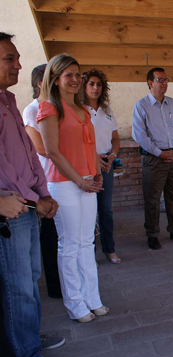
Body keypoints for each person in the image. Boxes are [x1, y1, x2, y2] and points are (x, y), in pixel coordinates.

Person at [0, 32, 68, 357]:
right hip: (11, 211)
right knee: (18, 290)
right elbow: (5, 168)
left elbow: (29, 156)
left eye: (16, 58)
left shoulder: (9, 103)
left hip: (28, 205)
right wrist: (33, 199)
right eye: (8, 59)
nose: (18, 64)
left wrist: (42, 193)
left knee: (30, 279)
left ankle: (29, 338)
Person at [38, 53, 108, 323]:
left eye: (78, 74)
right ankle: (75, 304)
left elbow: (89, 147)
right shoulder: (49, 108)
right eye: (69, 75)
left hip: (87, 182)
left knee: (87, 243)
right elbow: (53, 152)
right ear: (55, 80)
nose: (76, 80)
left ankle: (93, 298)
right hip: (65, 185)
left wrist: (95, 174)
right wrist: (80, 180)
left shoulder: (82, 109)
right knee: (69, 246)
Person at [132, 67, 173, 250]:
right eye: (160, 80)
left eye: (166, 80)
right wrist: (160, 153)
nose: (164, 83)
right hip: (154, 159)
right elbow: (139, 135)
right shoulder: (141, 106)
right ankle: (152, 234)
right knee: (153, 198)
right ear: (150, 83)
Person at [22, 63, 63, 298]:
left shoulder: (59, 107)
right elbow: (43, 147)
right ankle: (55, 286)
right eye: (54, 77)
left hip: (66, 175)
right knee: (51, 234)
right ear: (41, 82)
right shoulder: (31, 110)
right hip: (48, 179)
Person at [82, 68, 121, 264]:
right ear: (84, 86)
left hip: (106, 165)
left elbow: (115, 138)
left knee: (105, 210)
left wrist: (112, 156)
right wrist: (95, 158)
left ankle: (110, 249)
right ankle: (89, 253)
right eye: (91, 84)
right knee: (88, 212)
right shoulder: (78, 110)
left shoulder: (107, 111)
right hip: (86, 165)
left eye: (99, 84)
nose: (95, 88)